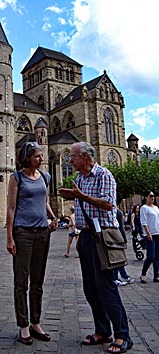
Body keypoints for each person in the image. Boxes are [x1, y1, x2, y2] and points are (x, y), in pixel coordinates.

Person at [59, 142, 132, 354]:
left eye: (73, 156)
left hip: (104, 237)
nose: (70, 160)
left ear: (85, 157)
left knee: (106, 287)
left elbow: (109, 204)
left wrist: (81, 197)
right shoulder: (80, 178)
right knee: (90, 288)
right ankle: (103, 330)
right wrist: (73, 196)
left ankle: (123, 335)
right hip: (87, 236)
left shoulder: (104, 175)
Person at [6, 141, 57, 345]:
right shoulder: (16, 177)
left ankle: (36, 322)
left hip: (42, 233)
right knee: (22, 282)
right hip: (23, 233)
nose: (41, 159)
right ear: (27, 158)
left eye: (42, 156)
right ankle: (23, 325)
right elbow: (10, 208)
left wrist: (54, 218)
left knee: (38, 282)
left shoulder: (45, 176)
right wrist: (9, 237)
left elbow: (44, 201)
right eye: (37, 156)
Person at [113, 193, 134, 286]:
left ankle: (124, 275)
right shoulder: (118, 213)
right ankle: (117, 277)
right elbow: (121, 228)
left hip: (108, 237)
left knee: (117, 258)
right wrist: (124, 240)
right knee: (118, 258)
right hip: (118, 238)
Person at [139, 191, 159, 284]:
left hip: (157, 233)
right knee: (151, 256)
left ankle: (156, 275)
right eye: (151, 196)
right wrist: (148, 233)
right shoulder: (144, 208)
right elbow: (144, 222)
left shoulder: (156, 208)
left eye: (153, 196)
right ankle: (143, 273)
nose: (153, 198)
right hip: (150, 234)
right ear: (146, 197)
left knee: (157, 256)